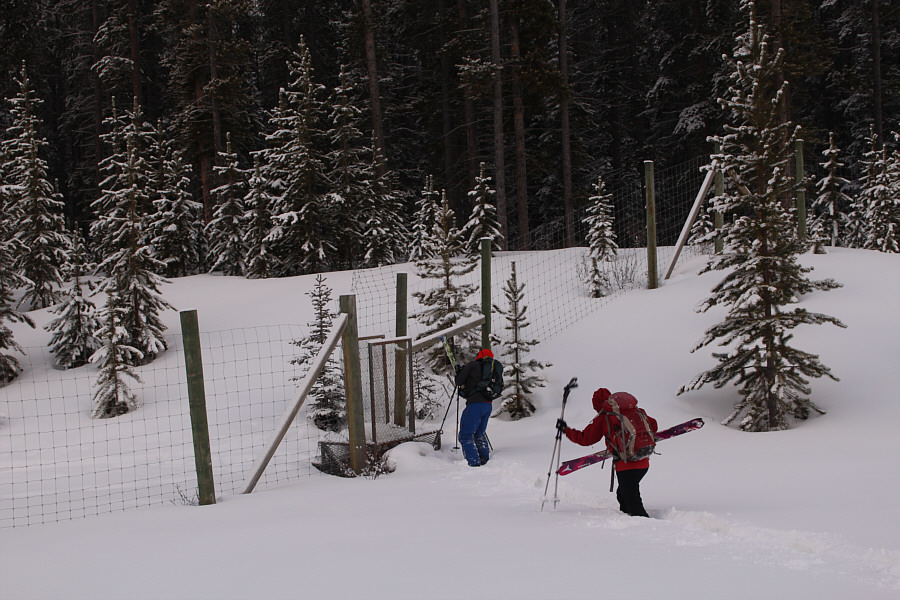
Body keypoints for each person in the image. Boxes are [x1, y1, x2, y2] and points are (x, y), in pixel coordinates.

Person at [557, 387, 658, 517]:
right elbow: (654, 425)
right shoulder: (636, 410)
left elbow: (585, 439)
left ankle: (647, 529)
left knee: (634, 504)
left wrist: (566, 430)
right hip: (643, 460)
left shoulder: (604, 418)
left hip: (626, 465)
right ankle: (628, 521)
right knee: (623, 495)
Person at [454, 348, 503, 467]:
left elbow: (459, 381)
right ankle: (484, 459)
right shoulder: (494, 368)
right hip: (488, 405)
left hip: (475, 404)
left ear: (479, 356)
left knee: (465, 435)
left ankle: (473, 462)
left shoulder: (473, 365)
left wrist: (460, 372)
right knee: (479, 433)